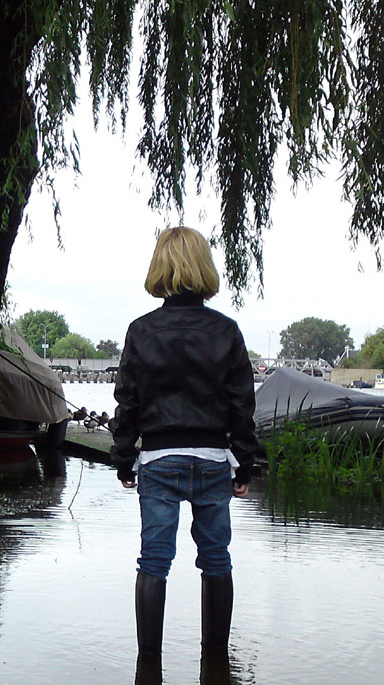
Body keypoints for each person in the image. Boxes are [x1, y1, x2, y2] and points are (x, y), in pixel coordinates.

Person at [110, 226, 259, 659]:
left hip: (157, 460)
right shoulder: (227, 331)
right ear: (204, 268)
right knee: (216, 559)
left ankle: (148, 663)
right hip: (214, 460)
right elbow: (241, 406)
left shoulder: (141, 331)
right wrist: (244, 465)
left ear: (160, 267)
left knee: (153, 560)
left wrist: (124, 460)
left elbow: (128, 403)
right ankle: (215, 659)